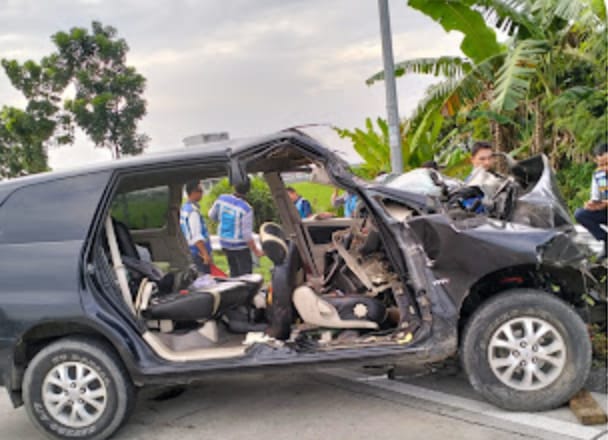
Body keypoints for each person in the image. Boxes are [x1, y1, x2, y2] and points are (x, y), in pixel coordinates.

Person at [208, 181, 264, 277]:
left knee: (233, 270)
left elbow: (211, 215)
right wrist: (256, 251)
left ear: (234, 187)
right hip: (240, 246)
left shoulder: (222, 199)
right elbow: (246, 235)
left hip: (224, 242)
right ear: (248, 190)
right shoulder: (246, 209)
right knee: (245, 275)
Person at [575, 142, 608, 258]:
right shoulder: (598, 175)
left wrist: (605, 204)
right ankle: (605, 240)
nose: (605, 168)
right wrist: (592, 205)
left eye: (607, 164)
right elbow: (596, 197)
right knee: (580, 214)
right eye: (601, 165)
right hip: (605, 210)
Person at [180, 181, 212, 274]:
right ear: (194, 192)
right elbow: (196, 236)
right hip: (198, 253)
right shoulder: (193, 212)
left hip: (191, 250)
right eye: (200, 191)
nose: (202, 194)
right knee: (204, 280)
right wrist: (205, 254)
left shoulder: (185, 208)